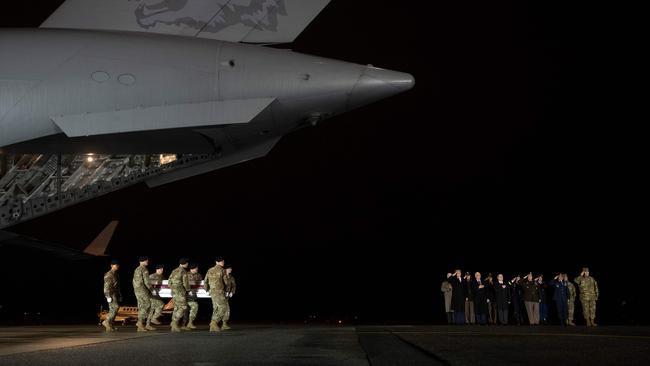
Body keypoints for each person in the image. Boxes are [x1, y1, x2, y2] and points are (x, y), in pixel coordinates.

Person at [204, 256, 227, 332]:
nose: (222, 262)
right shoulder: (222, 270)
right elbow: (226, 281)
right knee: (223, 308)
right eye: (221, 261)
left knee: (216, 308)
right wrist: (227, 290)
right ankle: (214, 322)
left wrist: (207, 290)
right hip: (219, 291)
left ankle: (213, 327)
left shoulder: (210, 270)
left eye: (223, 261)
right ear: (216, 262)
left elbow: (205, 281)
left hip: (212, 292)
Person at [132, 256, 154, 332]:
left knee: (141, 306)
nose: (147, 261)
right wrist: (151, 289)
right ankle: (140, 323)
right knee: (147, 304)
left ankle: (140, 324)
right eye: (146, 260)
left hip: (137, 290)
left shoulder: (137, 269)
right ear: (143, 261)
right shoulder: (144, 269)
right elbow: (147, 281)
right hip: (142, 290)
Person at [168, 258, 190, 332]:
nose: (188, 264)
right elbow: (185, 283)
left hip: (173, 292)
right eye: (187, 263)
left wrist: (173, 288)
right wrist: (188, 290)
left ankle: (173, 324)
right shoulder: (183, 271)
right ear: (185, 263)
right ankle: (174, 323)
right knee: (183, 307)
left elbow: (169, 281)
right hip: (180, 292)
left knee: (177, 307)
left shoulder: (174, 270)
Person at [102, 260, 121, 332]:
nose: (117, 266)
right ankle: (106, 322)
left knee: (113, 309)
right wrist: (107, 296)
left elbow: (118, 286)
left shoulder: (116, 275)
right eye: (116, 265)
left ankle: (110, 325)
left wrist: (119, 295)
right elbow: (106, 286)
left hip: (115, 294)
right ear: (111, 266)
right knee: (115, 307)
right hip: (111, 293)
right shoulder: (109, 274)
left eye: (118, 265)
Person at [184, 263, 202, 330]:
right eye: (196, 268)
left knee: (191, 308)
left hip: (193, 295)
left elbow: (200, 284)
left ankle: (189, 323)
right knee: (186, 310)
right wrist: (188, 290)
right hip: (185, 295)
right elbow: (183, 284)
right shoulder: (186, 275)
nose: (197, 269)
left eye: (197, 268)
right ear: (192, 269)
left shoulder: (198, 275)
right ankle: (185, 324)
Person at [223, 264, 236, 330]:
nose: (230, 270)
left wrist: (232, 292)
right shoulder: (222, 276)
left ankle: (224, 324)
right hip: (221, 295)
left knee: (227, 309)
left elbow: (234, 286)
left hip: (227, 296)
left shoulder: (231, 277)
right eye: (229, 268)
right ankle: (215, 323)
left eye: (231, 268)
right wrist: (224, 292)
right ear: (225, 269)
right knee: (219, 309)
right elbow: (219, 285)